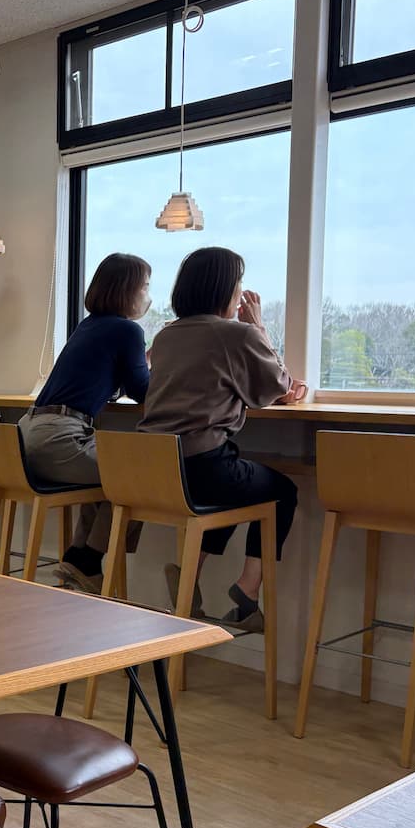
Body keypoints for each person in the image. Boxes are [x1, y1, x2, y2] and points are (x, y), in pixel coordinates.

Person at [139, 246, 308, 630]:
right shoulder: (235, 334)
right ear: (225, 289)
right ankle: (248, 588)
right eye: (239, 283)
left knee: (233, 488)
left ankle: (189, 575)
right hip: (203, 468)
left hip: (159, 470)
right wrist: (258, 327)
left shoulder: (165, 336)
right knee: (281, 491)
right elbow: (275, 387)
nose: (241, 292)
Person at [20, 252, 152, 593]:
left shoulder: (88, 325)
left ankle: (80, 556)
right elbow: (142, 390)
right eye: (145, 287)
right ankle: (88, 560)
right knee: (138, 477)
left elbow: (108, 378)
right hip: (58, 438)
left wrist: (140, 362)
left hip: (28, 434)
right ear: (128, 290)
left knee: (109, 474)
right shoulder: (127, 330)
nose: (148, 295)